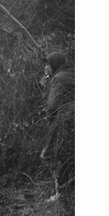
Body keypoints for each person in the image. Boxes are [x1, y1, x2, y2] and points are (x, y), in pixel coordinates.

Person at [40, 51, 74, 203]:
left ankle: (60, 192)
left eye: (48, 64)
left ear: (55, 65)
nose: (46, 68)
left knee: (51, 155)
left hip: (62, 121)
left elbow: (53, 105)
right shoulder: (71, 73)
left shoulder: (58, 79)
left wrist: (47, 116)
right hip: (71, 120)